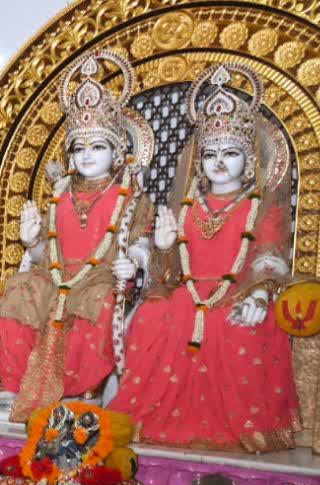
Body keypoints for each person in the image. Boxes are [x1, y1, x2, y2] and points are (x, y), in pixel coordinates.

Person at [110, 64, 299, 453]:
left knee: (239, 328)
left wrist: (260, 295)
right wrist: (161, 246)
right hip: (189, 294)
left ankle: (241, 426)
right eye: (210, 153)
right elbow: (171, 269)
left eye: (230, 153)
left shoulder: (259, 207)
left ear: (249, 160)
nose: (218, 162)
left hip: (239, 292)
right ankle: (153, 420)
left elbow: (269, 256)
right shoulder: (188, 207)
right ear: (198, 160)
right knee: (152, 317)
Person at [0, 51, 153, 422]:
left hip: (100, 275)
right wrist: (32, 243)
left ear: (118, 150)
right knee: (21, 287)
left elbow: (140, 242)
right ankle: (13, 382)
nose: (87, 155)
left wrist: (135, 261)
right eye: (79, 147)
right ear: (70, 155)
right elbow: (49, 251)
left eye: (98, 147)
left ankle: (82, 388)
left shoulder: (131, 194)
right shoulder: (61, 193)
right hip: (57, 276)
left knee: (101, 298)